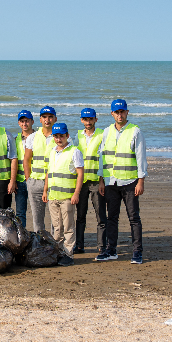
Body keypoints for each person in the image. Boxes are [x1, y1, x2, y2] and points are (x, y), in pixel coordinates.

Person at [95, 99, 147, 264]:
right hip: (111, 182)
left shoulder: (135, 131)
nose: (119, 115)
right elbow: (102, 157)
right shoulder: (107, 131)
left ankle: (137, 252)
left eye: (122, 112)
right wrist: (101, 180)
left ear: (127, 112)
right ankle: (111, 250)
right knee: (112, 218)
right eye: (116, 112)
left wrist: (141, 181)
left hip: (130, 182)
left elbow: (141, 158)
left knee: (133, 217)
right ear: (112, 114)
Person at [42, 123, 84, 266]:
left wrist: (76, 193)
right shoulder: (52, 151)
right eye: (56, 136)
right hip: (53, 196)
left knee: (68, 227)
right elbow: (49, 172)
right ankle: (58, 253)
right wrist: (45, 190)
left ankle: (68, 254)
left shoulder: (74, 151)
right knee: (57, 228)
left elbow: (80, 174)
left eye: (61, 136)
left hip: (67, 197)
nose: (59, 139)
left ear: (67, 136)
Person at [71, 108, 107, 254]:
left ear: (95, 120)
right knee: (80, 216)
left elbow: (104, 160)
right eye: (85, 119)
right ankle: (79, 245)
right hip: (82, 182)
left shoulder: (101, 135)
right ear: (81, 120)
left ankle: (102, 246)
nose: (88, 122)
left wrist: (102, 181)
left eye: (91, 119)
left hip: (96, 182)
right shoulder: (77, 136)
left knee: (100, 215)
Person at [23, 106, 57, 232]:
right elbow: (26, 160)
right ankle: (39, 244)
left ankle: (55, 244)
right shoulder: (33, 137)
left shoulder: (60, 137)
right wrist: (29, 180)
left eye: (50, 117)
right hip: (36, 182)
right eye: (44, 117)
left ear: (55, 119)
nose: (47, 120)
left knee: (56, 218)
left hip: (54, 183)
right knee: (37, 218)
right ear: (40, 119)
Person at [15, 110, 35, 227]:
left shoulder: (38, 137)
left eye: (27, 121)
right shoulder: (15, 139)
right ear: (19, 123)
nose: (24, 124)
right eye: (22, 121)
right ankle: (22, 238)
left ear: (32, 122)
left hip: (35, 179)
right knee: (20, 213)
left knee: (37, 212)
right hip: (20, 180)